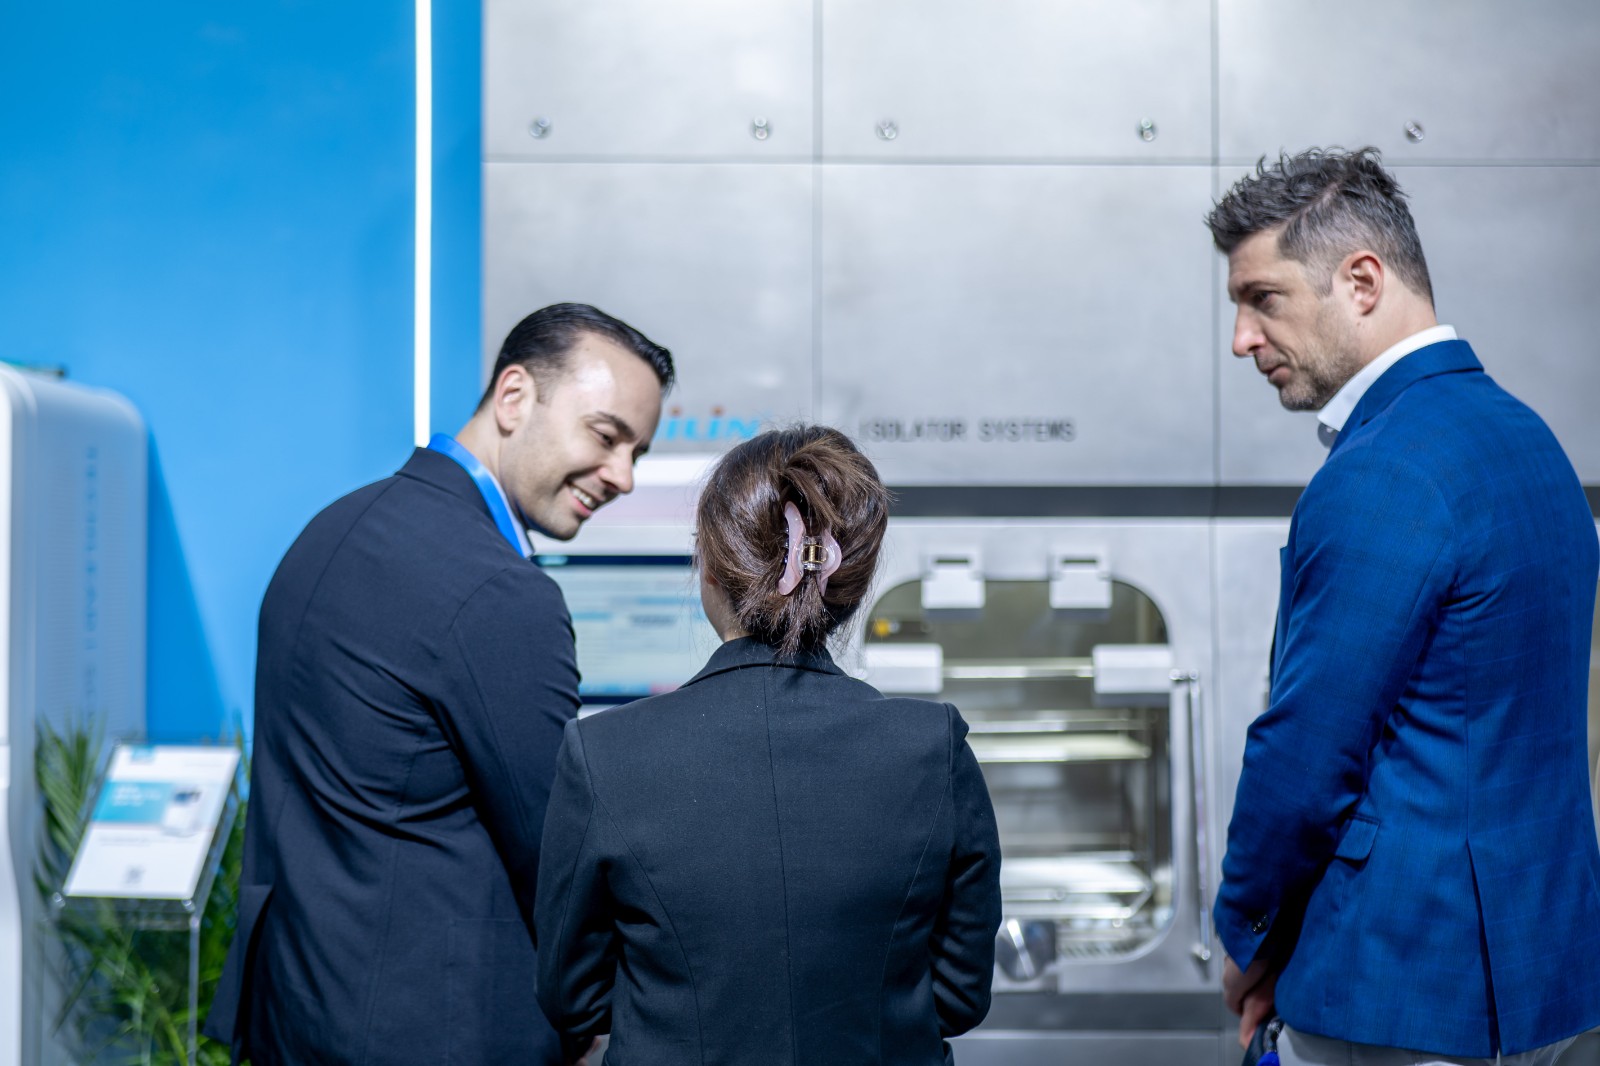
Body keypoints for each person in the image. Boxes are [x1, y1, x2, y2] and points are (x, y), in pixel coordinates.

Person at [1208, 147, 1600, 1066]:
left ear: (1362, 281)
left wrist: (1248, 936)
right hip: (1541, 974)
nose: (1242, 339)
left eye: (1263, 299)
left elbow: (1306, 755)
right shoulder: (1531, 441)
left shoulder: (1383, 470)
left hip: (1397, 983)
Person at [204, 303, 673, 1065]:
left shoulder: (330, 530)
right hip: (438, 1030)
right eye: (606, 435)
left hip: (295, 1014)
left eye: (638, 452)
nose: (623, 475)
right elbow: (562, 855)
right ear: (514, 396)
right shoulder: (499, 592)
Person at [532, 425, 1003, 1065]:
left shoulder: (602, 753)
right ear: (853, 581)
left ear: (709, 566)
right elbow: (960, 993)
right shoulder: (933, 745)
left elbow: (573, 998)